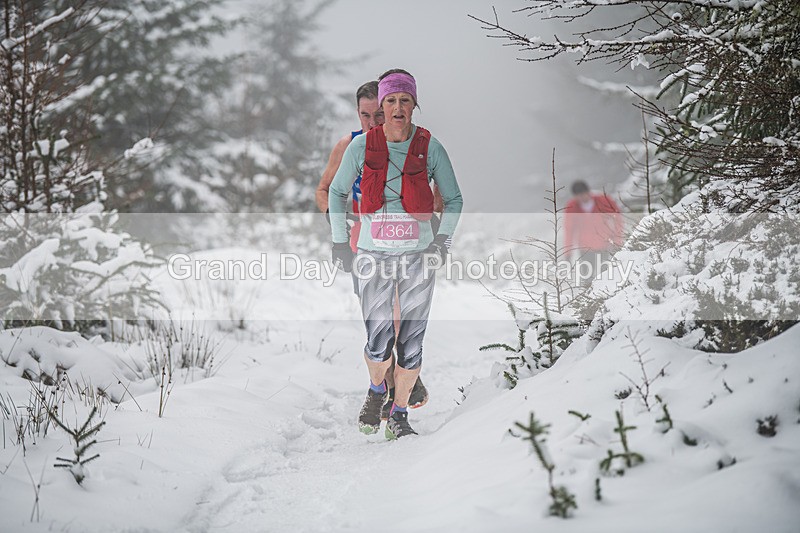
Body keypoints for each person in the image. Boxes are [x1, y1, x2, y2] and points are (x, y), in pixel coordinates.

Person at [328, 69, 463, 439]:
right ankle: (376, 391)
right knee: (378, 338)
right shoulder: (360, 147)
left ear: (414, 105)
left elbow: (454, 199)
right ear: (382, 105)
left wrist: (442, 241)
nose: (397, 107)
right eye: (391, 101)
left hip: (419, 255)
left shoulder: (430, 147)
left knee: (412, 340)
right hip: (372, 254)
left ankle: (400, 413)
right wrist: (341, 241)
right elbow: (336, 193)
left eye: (405, 100)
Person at [316, 80, 430, 419]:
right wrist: (336, 220)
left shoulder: (408, 142)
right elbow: (325, 190)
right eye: (365, 115)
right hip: (360, 239)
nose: (371, 122)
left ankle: (395, 388)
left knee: (398, 316)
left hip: (404, 240)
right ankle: (391, 384)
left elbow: (431, 185)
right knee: (377, 319)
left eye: (377, 114)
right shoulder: (349, 145)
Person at [563, 180, 624, 284]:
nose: (581, 198)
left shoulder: (603, 200)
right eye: (578, 196)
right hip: (585, 248)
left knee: (606, 277)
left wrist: (618, 240)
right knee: (587, 279)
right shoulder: (572, 206)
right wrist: (568, 252)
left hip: (604, 245)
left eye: (583, 194)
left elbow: (617, 219)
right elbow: (569, 230)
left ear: (588, 192)